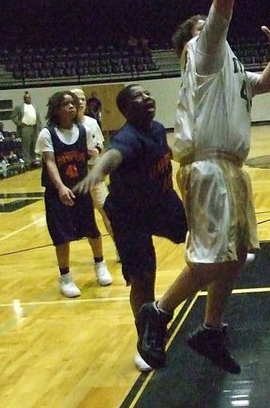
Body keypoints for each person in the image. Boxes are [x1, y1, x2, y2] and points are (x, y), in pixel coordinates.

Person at [136, 0, 270, 373]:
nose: (214, 29)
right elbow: (223, 0)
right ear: (191, 44)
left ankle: (211, 330)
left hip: (232, 168)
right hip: (205, 166)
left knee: (236, 254)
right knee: (207, 261)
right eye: (205, 29)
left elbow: (264, 85)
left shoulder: (229, 67)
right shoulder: (200, 58)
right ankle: (158, 314)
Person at [74, 84, 187, 372]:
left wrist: (191, 155)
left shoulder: (158, 128)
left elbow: (166, 152)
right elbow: (113, 156)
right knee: (143, 277)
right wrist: (97, 172)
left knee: (199, 233)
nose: (147, 98)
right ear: (125, 109)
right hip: (129, 217)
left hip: (162, 202)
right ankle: (146, 339)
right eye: (138, 97)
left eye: (148, 93)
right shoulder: (128, 137)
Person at [35, 90, 113, 298]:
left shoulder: (83, 130)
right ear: (57, 109)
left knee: (92, 230)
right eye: (66, 104)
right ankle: (65, 277)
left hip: (81, 189)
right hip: (57, 192)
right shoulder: (47, 134)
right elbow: (50, 162)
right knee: (61, 237)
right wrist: (60, 187)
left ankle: (100, 265)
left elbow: (91, 153)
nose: (72, 106)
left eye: (73, 103)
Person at [70, 88, 114, 241]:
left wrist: (96, 150)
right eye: (77, 99)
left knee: (107, 211)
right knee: (85, 216)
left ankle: (120, 248)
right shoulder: (65, 127)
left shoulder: (92, 122)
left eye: (83, 99)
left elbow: (100, 143)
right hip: (75, 175)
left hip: (93, 173)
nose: (80, 102)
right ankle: (98, 255)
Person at [10, 90, 42, 168]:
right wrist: (19, 124)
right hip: (25, 127)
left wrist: (40, 127)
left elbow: (38, 117)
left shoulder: (34, 106)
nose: (28, 99)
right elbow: (12, 116)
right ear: (24, 99)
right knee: (26, 145)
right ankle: (27, 161)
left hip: (34, 127)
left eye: (29, 97)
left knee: (34, 145)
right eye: (26, 98)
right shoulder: (20, 107)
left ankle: (33, 160)